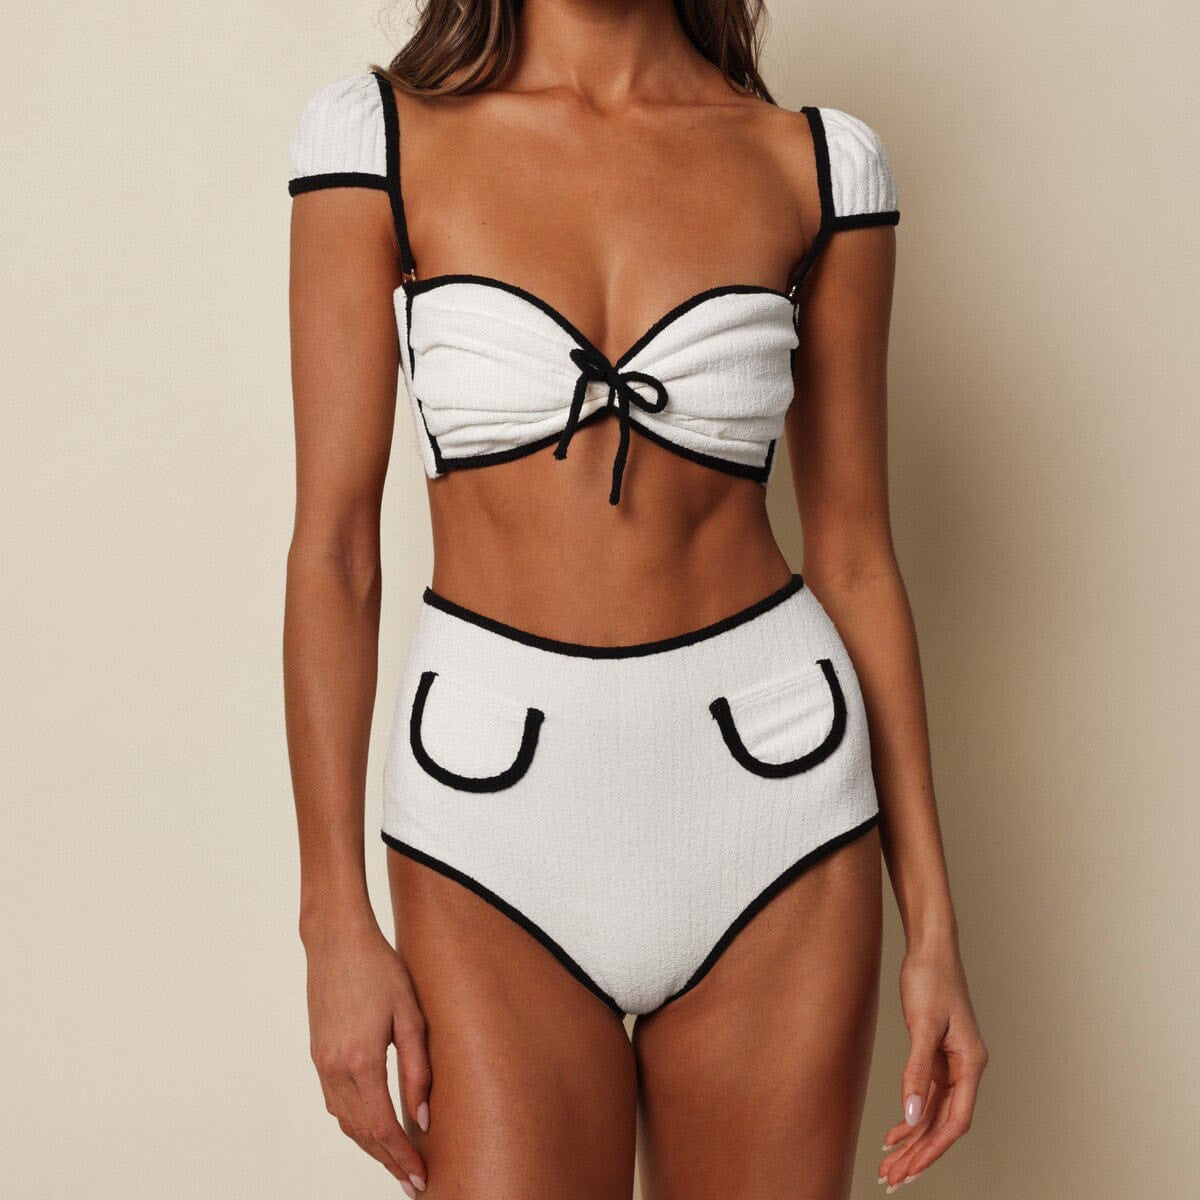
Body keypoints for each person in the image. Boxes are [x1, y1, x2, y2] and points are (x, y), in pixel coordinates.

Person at [284, 1, 987, 1196]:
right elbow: (336, 552)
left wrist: (935, 931)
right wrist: (332, 921)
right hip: (487, 822)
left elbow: (858, 558)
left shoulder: (815, 166)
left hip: (777, 807)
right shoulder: (380, 144)